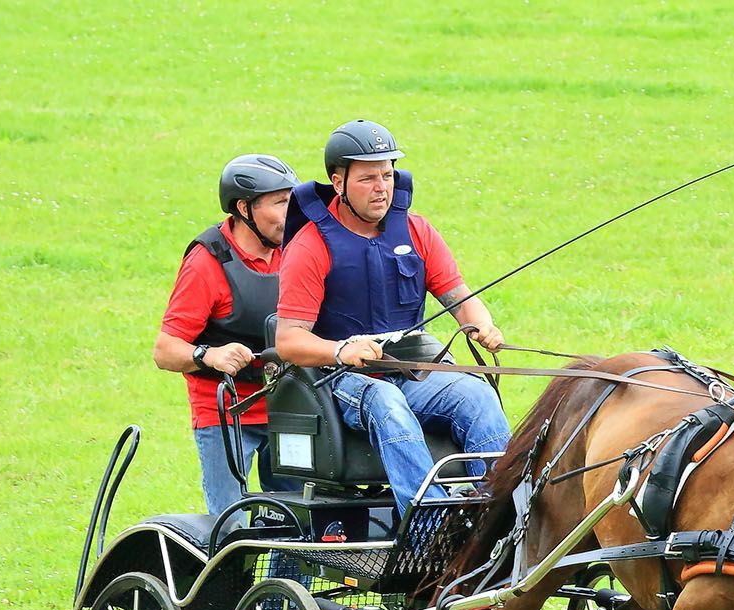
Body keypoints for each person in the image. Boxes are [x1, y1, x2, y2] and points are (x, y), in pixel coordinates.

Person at [274, 120, 511, 511]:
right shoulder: (310, 245)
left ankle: (501, 510)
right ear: (338, 182)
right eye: (368, 178)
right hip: (342, 381)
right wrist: (340, 352)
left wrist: (481, 324)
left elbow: (459, 296)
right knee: (387, 403)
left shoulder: (417, 231)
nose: (382, 186)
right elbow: (288, 341)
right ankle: (427, 523)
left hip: (410, 371)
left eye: (387, 174)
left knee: (477, 395)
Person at [154, 154, 301, 516]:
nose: (291, 213)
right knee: (230, 524)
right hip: (227, 411)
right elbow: (164, 350)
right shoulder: (207, 263)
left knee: (301, 519)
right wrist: (209, 355)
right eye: (280, 203)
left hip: (290, 407)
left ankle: (285, 577)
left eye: (292, 201)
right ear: (243, 208)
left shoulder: (298, 249)